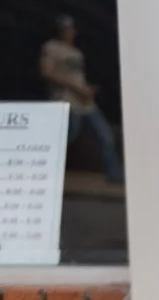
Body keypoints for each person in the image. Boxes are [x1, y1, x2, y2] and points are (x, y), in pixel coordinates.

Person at [38, 16, 122, 185]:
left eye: (70, 29)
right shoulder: (51, 47)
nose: (67, 32)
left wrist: (87, 88)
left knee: (105, 135)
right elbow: (46, 72)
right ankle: (42, 168)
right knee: (68, 136)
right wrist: (74, 87)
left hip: (85, 101)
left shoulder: (77, 53)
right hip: (65, 100)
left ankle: (115, 175)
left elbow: (77, 77)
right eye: (64, 29)